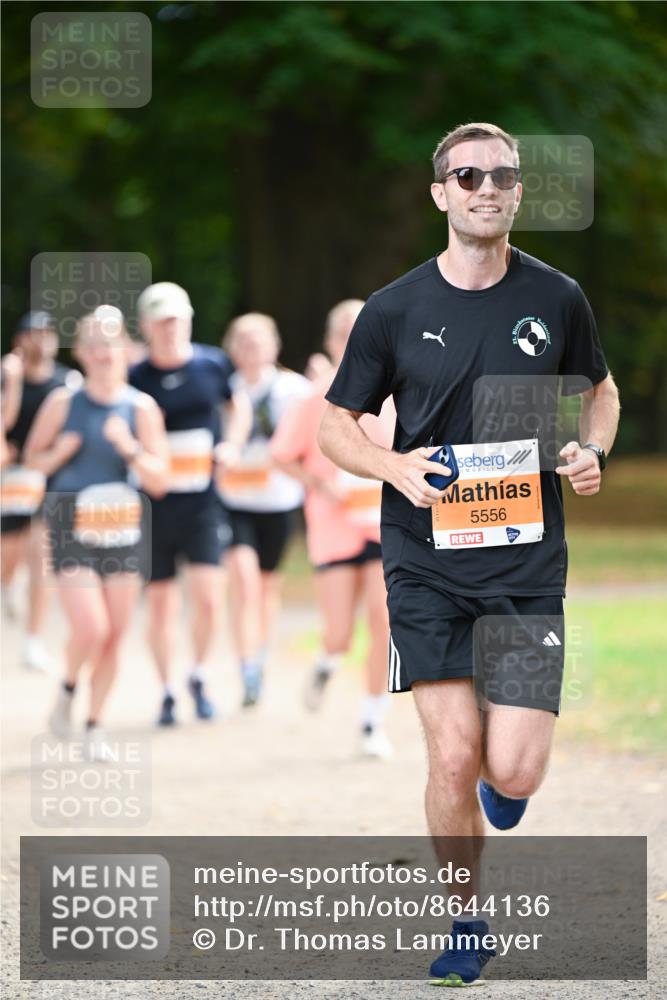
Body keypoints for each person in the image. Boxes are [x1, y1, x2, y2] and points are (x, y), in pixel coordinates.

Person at [318, 123, 620, 985]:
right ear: (440, 193)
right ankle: (463, 920)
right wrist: (391, 466)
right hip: (425, 560)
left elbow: (599, 392)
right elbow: (334, 424)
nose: (486, 187)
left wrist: (589, 449)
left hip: (525, 565)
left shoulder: (556, 297)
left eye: (502, 175)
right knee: (450, 752)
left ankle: (501, 793)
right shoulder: (395, 309)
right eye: (468, 174)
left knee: (512, 770)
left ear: (518, 191)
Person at [23, 307, 168, 757]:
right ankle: (68, 688)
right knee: (91, 625)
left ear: (125, 348)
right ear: (82, 352)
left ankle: (94, 725)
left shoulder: (141, 408)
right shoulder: (63, 403)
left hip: (122, 527)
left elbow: (161, 480)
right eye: (94, 343)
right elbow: (32, 460)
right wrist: (61, 453)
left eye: (111, 342)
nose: (104, 352)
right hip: (70, 521)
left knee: (115, 633)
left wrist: (130, 449)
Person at [272, 300, 396, 759]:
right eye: (344, 331)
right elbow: (281, 455)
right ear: (330, 341)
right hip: (333, 527)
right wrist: (320, 485)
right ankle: (327, 661)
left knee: (385, 622)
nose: (354, 338)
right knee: (340, 633)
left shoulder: (397, 392)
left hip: (386, 525)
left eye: (362, 329)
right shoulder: (315, 397)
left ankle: (370, 721)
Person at [129, 282, 251, 726]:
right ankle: (165, 690)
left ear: (189, 320)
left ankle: (197, 674)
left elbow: (238, 408)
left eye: (177, 319)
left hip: (203, 502)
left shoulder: (212, 364)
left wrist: (233, 445)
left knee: (209, 599)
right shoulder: (135, 376)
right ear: (145, 326)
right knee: (161, 605)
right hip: (154, 504)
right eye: (161, 321)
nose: (170, 328)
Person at [218, 313, 310, 706]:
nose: (252, 349)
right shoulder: (224, 389)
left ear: (274, 346)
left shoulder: (295, 389)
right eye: (243, 342)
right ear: (232, 349)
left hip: (278, 500)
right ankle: (245, 667)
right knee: (244, 583)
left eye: (259, 342)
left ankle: (261, 655)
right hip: (234, 501)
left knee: (268, 587)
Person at [1, 311, 81, 670]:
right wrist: (13, 383)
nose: (43, 338)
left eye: (48, 331)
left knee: (42, 556)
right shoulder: (5, 379)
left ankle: (33, 640)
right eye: (35, 332)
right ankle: (8, 585)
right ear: (21, 340)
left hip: (49, 479)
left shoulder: (68, 383)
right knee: (8, 555)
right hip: (11, 478)